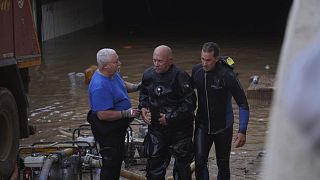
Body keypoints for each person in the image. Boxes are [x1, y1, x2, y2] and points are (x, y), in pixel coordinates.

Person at [191, 42, 250, 180]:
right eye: (202, 59)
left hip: (223, 126)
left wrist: (242, 130)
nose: (204, 64)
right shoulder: (197, 71)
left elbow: (243, 104)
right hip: (202, 125)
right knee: (199, 162)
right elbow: (186, 93)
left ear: (216, 59)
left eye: (208, 60)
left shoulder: (227, 75)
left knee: (223, 165)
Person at [139, 45, 196, 179]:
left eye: (160, 61)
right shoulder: (148, 75)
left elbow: (190, 104)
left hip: (180, 130)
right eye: (154, 60)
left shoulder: (180, 76)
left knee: (182, 166)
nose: (156, 64)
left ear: (170, 61)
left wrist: (170, 117)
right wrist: (143, 107)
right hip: (157, 129)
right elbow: (144, 94)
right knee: (154, 166)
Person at [87, 48, 140, 180]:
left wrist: (136, 87)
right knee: (110, 163)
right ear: (105, 66)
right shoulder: (99, 86)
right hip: (108, 129)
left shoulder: (112, 73)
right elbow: (103, 115)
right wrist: (126, 113)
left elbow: (121, 84)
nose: (119, 63)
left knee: (118, 159)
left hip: (118, 127)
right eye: (116, 62)